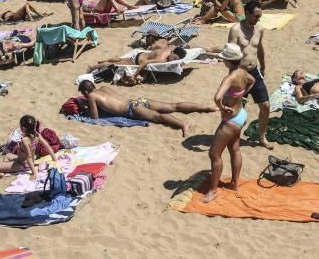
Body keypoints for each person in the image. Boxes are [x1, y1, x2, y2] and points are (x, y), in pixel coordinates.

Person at [203, 43, 255, 203]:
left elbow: (217, 97)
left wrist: (223, 107)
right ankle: (234, 184)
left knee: (214, 154)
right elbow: (252, 81)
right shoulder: (243, 72)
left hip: (231, 119)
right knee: (235, 149)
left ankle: (213, 191)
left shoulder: (230, 77)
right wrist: (242, 95)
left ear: (226, 61)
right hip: (241, 114)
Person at [77, 80, 216, 136]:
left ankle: (183, 124)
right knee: (172, 105)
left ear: (85, 92)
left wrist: (86, 107)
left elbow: (95, 118)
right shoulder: (104, 87)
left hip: (132, 109)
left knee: (158, 117)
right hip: (138, 101)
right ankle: (206, 107)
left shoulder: (91, 97)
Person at [228, 0, 272, 149]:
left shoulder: (259, 29)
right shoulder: (235, 30)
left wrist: (263, 66)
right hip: (240, 74)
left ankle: (262, 136)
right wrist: (235, 76)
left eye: (259, 17)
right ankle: (234, 137)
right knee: (238, 109)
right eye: (255, 16)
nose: (257, 19)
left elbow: (259, 48)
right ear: (246, 13)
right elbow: (230, 56)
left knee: (265, 105)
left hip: (255, 71)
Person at [0, 115, 57, 186]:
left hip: (23, 165)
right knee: (7, 155)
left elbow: (29, 157)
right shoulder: (37, 135)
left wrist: (34, 173)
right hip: (25, 161)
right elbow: (47, 146)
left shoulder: (25, 140)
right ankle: (2, 172)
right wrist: (54, 159)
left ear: (23, 128)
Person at [87, 44, 188, 84]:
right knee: (114, 64)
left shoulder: (168, 50)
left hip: (140, 54)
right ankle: (93, 67)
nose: (172, 60)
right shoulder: (162, 59)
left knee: (119, 59)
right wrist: (135, 75)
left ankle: (102, 60)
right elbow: (145, 63)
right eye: (174, 58)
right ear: (173, 53)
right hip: (137, 61)